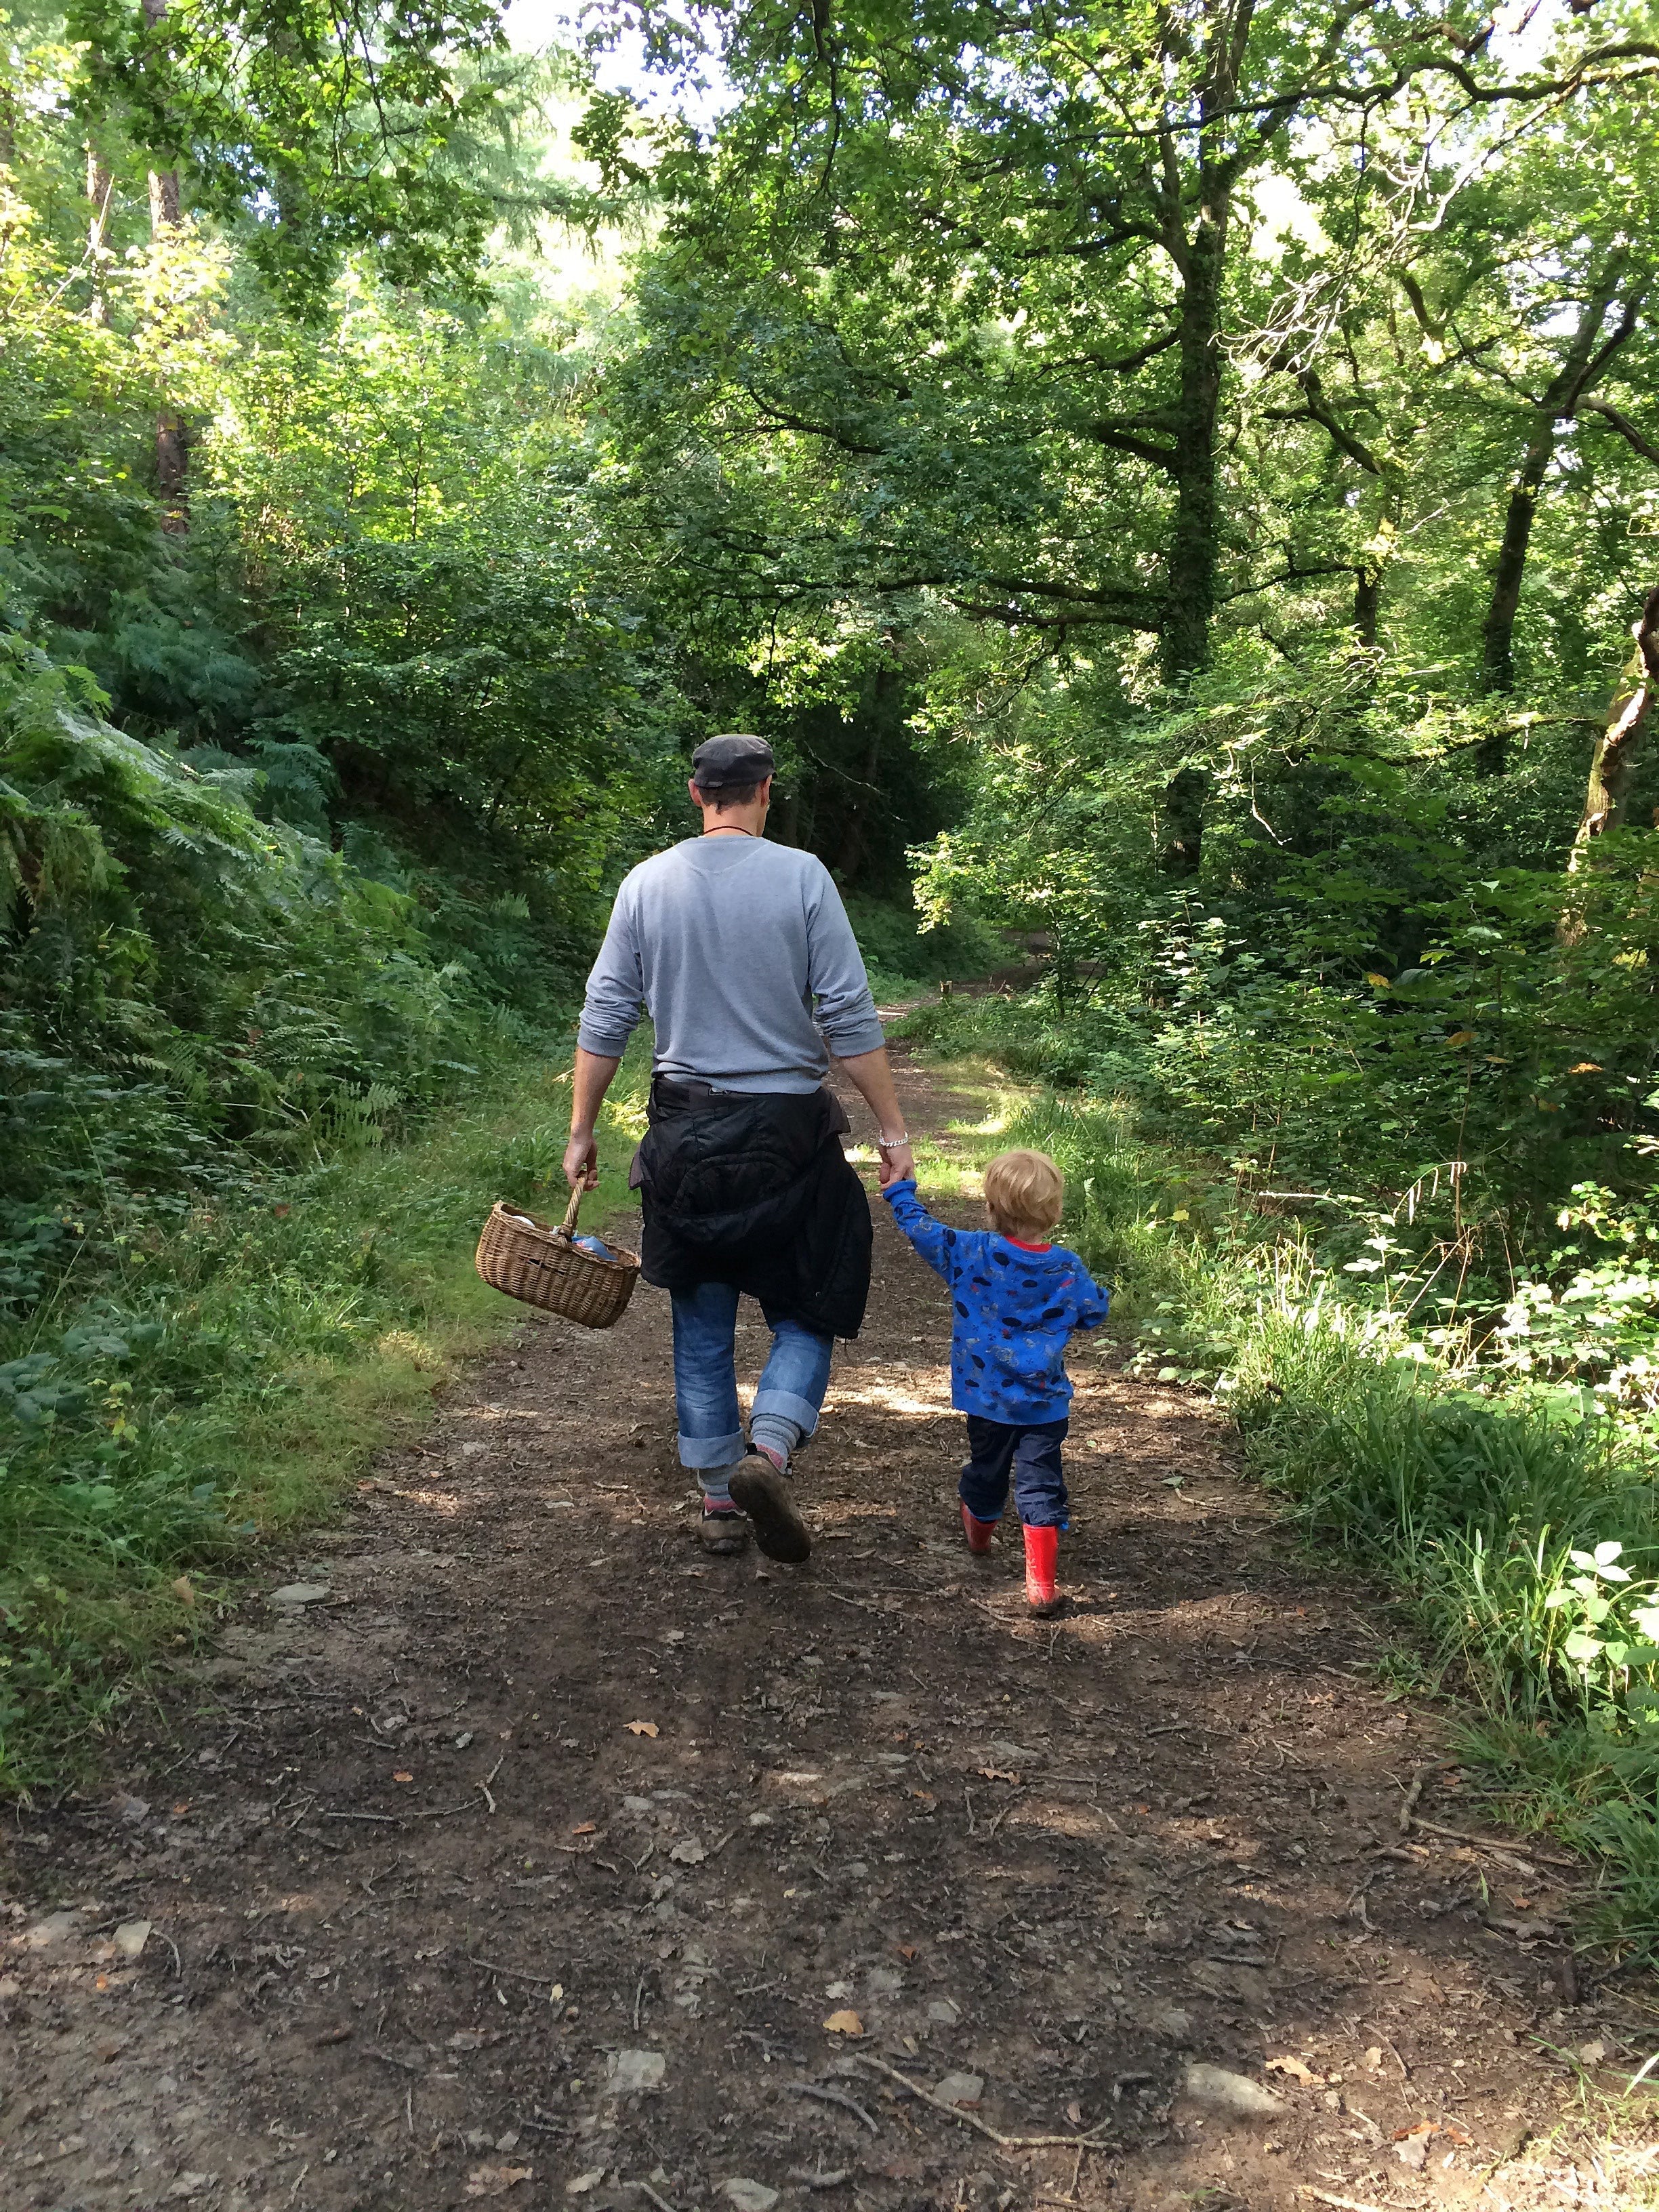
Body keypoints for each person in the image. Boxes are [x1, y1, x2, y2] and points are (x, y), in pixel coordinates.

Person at [564, 733, 916, 1563]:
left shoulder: (645, 884)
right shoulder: (803, 877)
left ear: (697, 794)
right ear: (764, 792)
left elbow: (606, 1017)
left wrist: (581, 1130)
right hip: (790, 1132)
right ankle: (772, 1450)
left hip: (684, 1132)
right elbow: (850, 1018)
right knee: (811, 1300)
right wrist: (894, 1133)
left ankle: (721, 1498)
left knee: (702, 1313)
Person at [881, 1147, 1108, 1615]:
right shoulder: (1066, 1268)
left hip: (985, 1399)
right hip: (1044, 1405)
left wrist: (900, 1191)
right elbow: (1094, 1312)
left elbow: (922, 1231)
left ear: (990, 1208)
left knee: (986, 1471)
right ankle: (1042, 1586)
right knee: (1040, 1484)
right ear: (1055, 1211)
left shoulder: (970, 1253)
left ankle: (979, 1532)